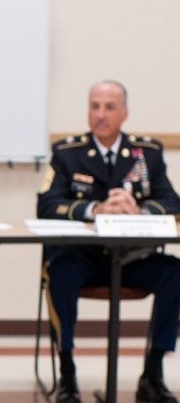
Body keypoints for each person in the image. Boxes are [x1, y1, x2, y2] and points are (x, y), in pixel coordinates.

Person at [38, 80, 180, 403]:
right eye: (95, 106)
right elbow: (47, 203)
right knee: (59, 274)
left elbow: (172, 201)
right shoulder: (67, 153)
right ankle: (67, 376)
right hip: (82, 258)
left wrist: (140, 210)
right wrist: (94, 209)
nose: (100, 114)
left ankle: (153, 373)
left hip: (133, 258)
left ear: (124, 113)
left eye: (109, 107)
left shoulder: (148, 153)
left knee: (175, 273)